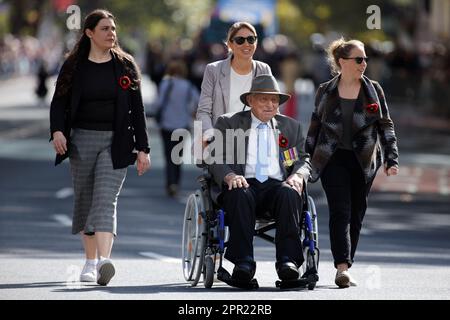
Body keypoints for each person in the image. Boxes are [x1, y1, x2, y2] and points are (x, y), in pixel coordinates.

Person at [49, 9, 151, 286]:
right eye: (105, 28)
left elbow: (137, 110)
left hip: (116, 142)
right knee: (85, 199)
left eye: (113, 29)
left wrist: (143, 148)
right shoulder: (73, 66)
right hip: (81, 140)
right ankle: (90, 261)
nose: (111, 33)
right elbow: (58, 102)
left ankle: (104, 260)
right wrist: (58, 131)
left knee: (105, 198)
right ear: (90, 33)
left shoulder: (125, 66)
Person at [305, 38, 399, 288]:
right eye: (359, 59)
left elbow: (385, 125)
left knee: (356, 214)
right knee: (341, 211)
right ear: (341, 62)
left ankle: (347, 261)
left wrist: (391, 158)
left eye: (365, 59)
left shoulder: (374, 90)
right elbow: (315, 124)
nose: (364, 64)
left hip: (364, 160)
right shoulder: (326, 90)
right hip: (332, 157)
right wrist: (306, 160)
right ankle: (342, 268)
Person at [207, 74, 311, 287]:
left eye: (274, 100)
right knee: (239, 192)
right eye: (263, 99)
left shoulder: (290, 127)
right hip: (243, 182)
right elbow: (214, 156)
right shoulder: (229, 122)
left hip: (277, 186)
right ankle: (243, 263)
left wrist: (298, 175)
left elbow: (302, 160)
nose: (270, 104)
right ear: (250, 101)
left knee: (290, 192)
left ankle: (288, 262)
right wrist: (229, 175)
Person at [196, 21, 272, 146]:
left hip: (255, 144)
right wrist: (210, 137)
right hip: (221, 143)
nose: (246, 44)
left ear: (256, 42)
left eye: (251, 39)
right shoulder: (213, 70)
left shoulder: (263, 69)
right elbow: (203, 111)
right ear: (230, 44)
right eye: (240, 40)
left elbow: (273, 108)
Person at [153, 59, 199, 196]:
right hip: (183, 124)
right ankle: (176, 183)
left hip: (167, 124)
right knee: (177, 156)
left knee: (168, 155)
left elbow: (158, 103)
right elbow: (198, 100)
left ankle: (170, 183)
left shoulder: (166, 84)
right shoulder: (188, 86)